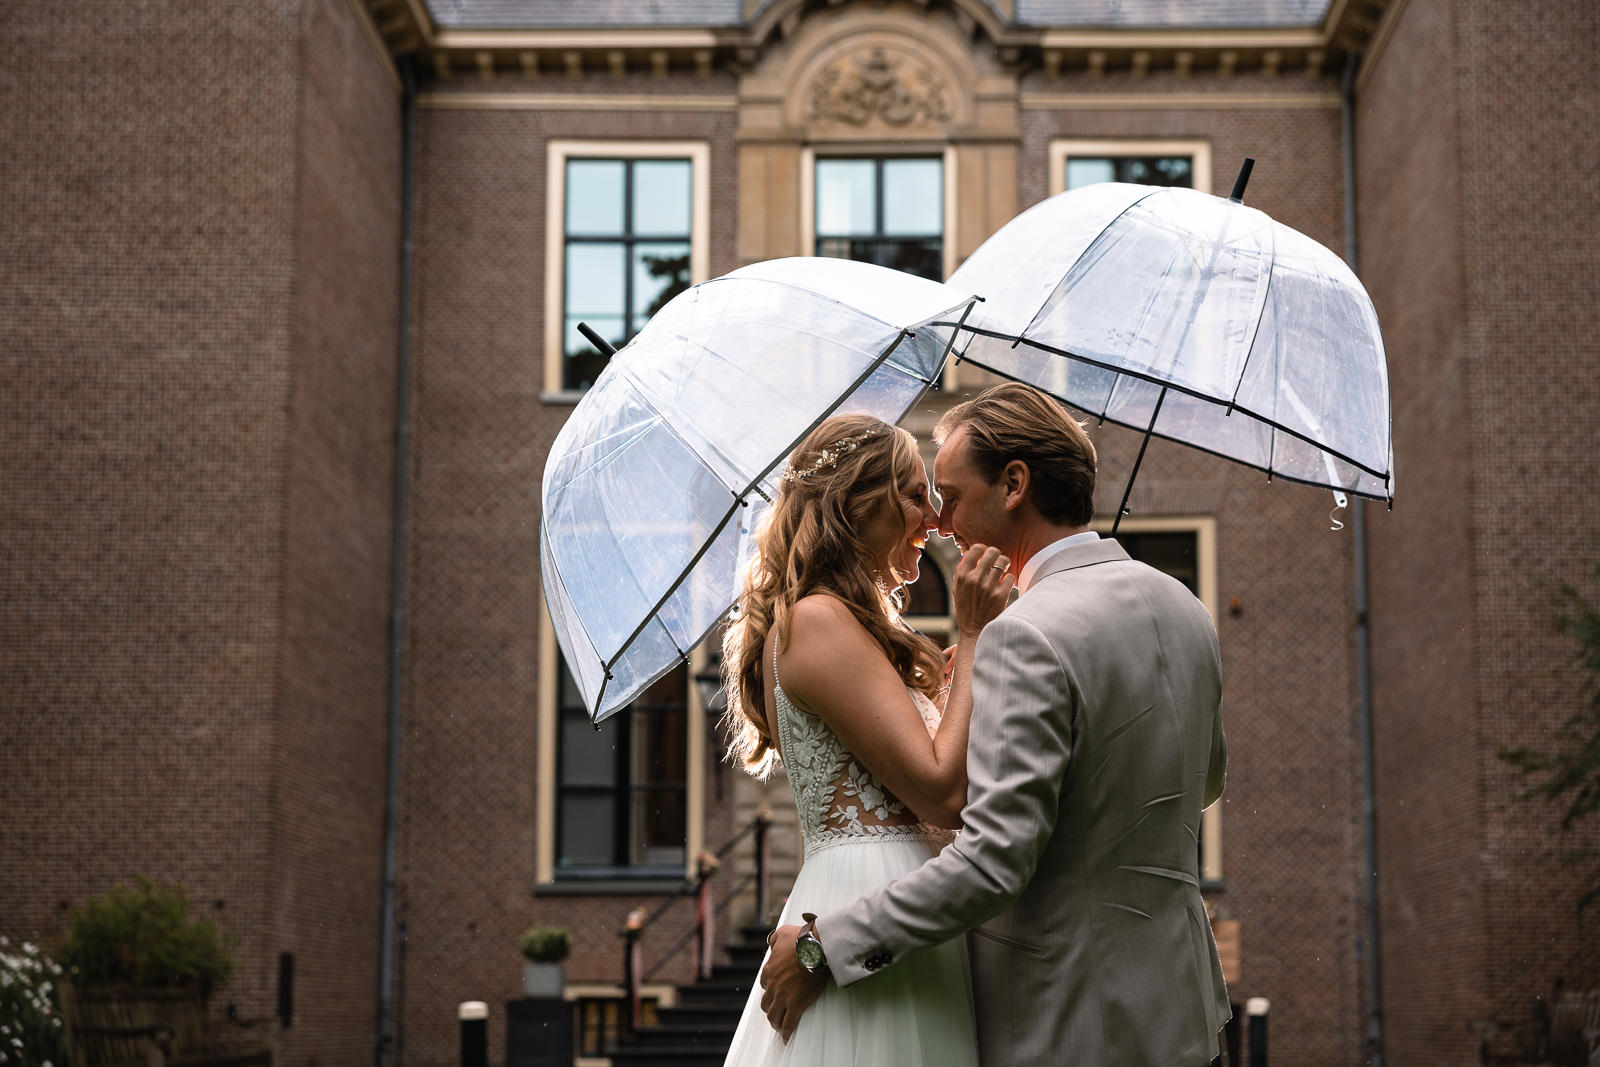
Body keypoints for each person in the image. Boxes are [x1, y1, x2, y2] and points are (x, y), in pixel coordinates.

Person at [759, 383, 1231, 1066]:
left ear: (1014, 484)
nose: (941, 523)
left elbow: (993, 860)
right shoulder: (1187, 608)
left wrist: (820, 944)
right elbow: (1204, 781)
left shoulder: (1023, 635)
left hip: (1068, 1020)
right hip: (1188, 1015)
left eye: (949, 494)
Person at [719, 412, 1013, 1067]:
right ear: (856, 505)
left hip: (886, 905)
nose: (934, 520)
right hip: (864, 905)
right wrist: (971, 634)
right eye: (913, 495)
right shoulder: (819, 620)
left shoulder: (825, 622)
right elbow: (939, 789)